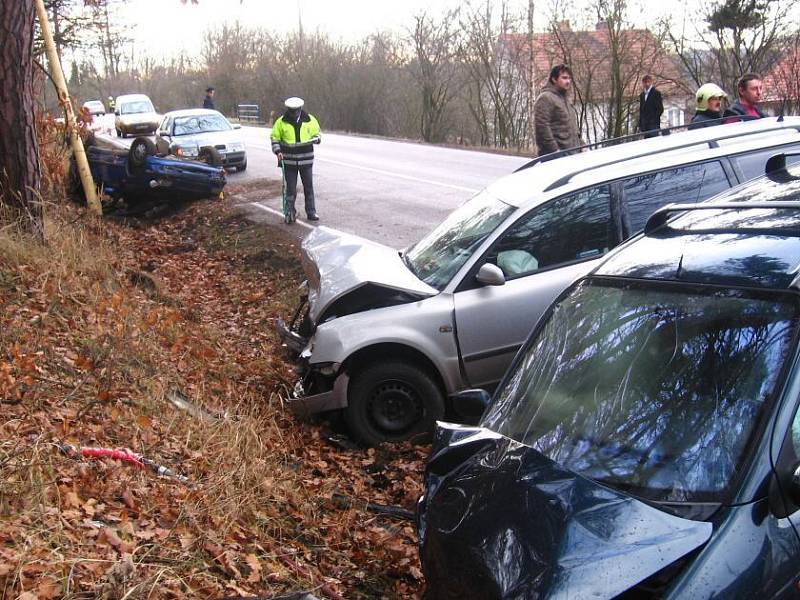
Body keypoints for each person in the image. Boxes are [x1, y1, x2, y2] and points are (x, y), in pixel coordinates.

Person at [271, 97, 322, 221]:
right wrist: (278, 151)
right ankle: (290, 213)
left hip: (306, 160)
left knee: (308, 187)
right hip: (289, 162)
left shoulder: (310, 120)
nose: (294, 113)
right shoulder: (281, 122)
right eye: (292, 111)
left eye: (296, 111)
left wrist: (317, 139)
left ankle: (311, 212)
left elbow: (318, 134)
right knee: (290, 189)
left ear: (300, 109)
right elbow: (275, 138)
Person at [534, 64, 582, 157]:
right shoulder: (546, 98)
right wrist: (554, 150)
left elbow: (572, 127)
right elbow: (542, 127)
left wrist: (582, 145)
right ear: (554, 79)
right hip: (556, 157)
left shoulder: (566, 100)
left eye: (569, 78)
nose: (568, 81)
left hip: (572, 154)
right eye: (564, 78)